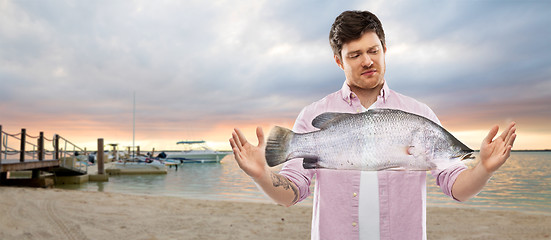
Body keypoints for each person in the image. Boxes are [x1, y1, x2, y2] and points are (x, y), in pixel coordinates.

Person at [229, 10, 516, 240]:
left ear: (384, 49)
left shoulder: (419, 113)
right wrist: (261, 175)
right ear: (339, 61)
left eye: (373, 50)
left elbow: (457, 188)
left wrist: (484, 168)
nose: (367, 61)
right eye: (355, 55)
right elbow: (291, 193)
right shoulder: (313, 114)